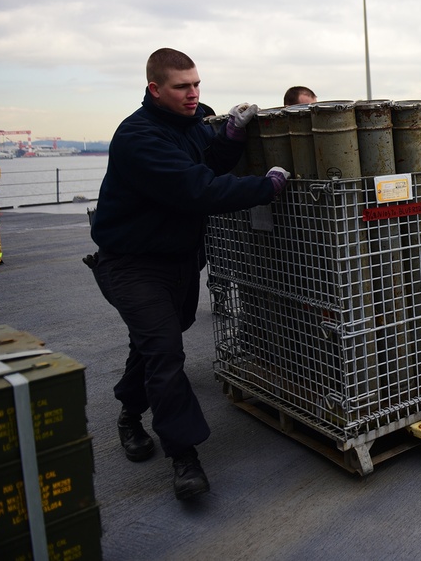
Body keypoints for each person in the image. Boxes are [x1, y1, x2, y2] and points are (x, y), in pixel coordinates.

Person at [90, 48, 291, 500]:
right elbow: (195, 187)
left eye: (196, 84)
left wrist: (232, 136)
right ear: (154, 89)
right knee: (164, 351)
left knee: (156, 342)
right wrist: (267, 187)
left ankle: (128, 409)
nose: (193, 93)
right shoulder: (138, 137)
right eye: (182, 87)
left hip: (179, 260)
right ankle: (184, 458)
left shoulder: (191, 125)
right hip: (132, 264)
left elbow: (207, 162)